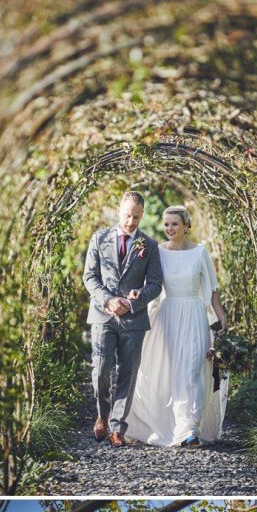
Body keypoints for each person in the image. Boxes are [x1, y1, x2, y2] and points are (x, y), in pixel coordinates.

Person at [126, 205, 227, 448]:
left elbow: (213, 290)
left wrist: (221, 317)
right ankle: (158, 423)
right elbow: (152, 284)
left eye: (174, 224)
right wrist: (137, 294)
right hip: (167, 315)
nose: (169, 228)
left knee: (192, 370)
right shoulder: (157, 251)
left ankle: (189, 429)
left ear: (186, 226)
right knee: (167, 373)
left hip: (193, 315)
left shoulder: (200, 252)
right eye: (166, 224)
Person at [83, 190, 163, 447]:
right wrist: (108, 300)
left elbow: (155, 284)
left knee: (127, 373)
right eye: (128, 215)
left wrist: (133, 301)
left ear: (142, 216)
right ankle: (102, 416)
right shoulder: (99, 238)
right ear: (119, 210)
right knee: (101, 370)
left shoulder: (149, 245)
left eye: (136, 217)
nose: (131, 222)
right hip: (103, 315)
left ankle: (118, 427)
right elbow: (90, 277)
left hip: (133, 319)